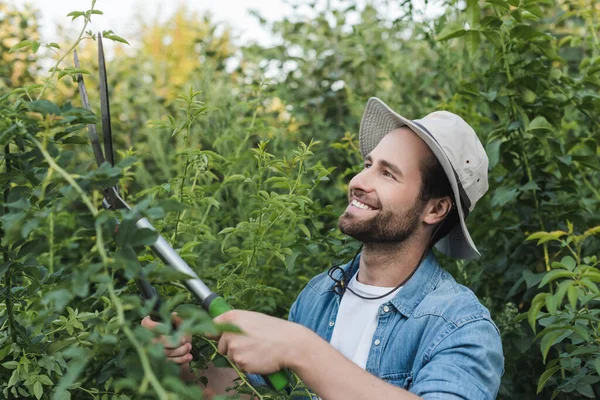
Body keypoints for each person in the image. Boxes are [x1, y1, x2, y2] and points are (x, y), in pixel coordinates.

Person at [142, 97, 505, 399]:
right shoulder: (319, 296)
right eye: (367, 165)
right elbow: (256, 395)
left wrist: (300, 349)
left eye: (388, 173)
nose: (359, 181)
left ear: (436, 208)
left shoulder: (460, 325)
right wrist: (185, 370)